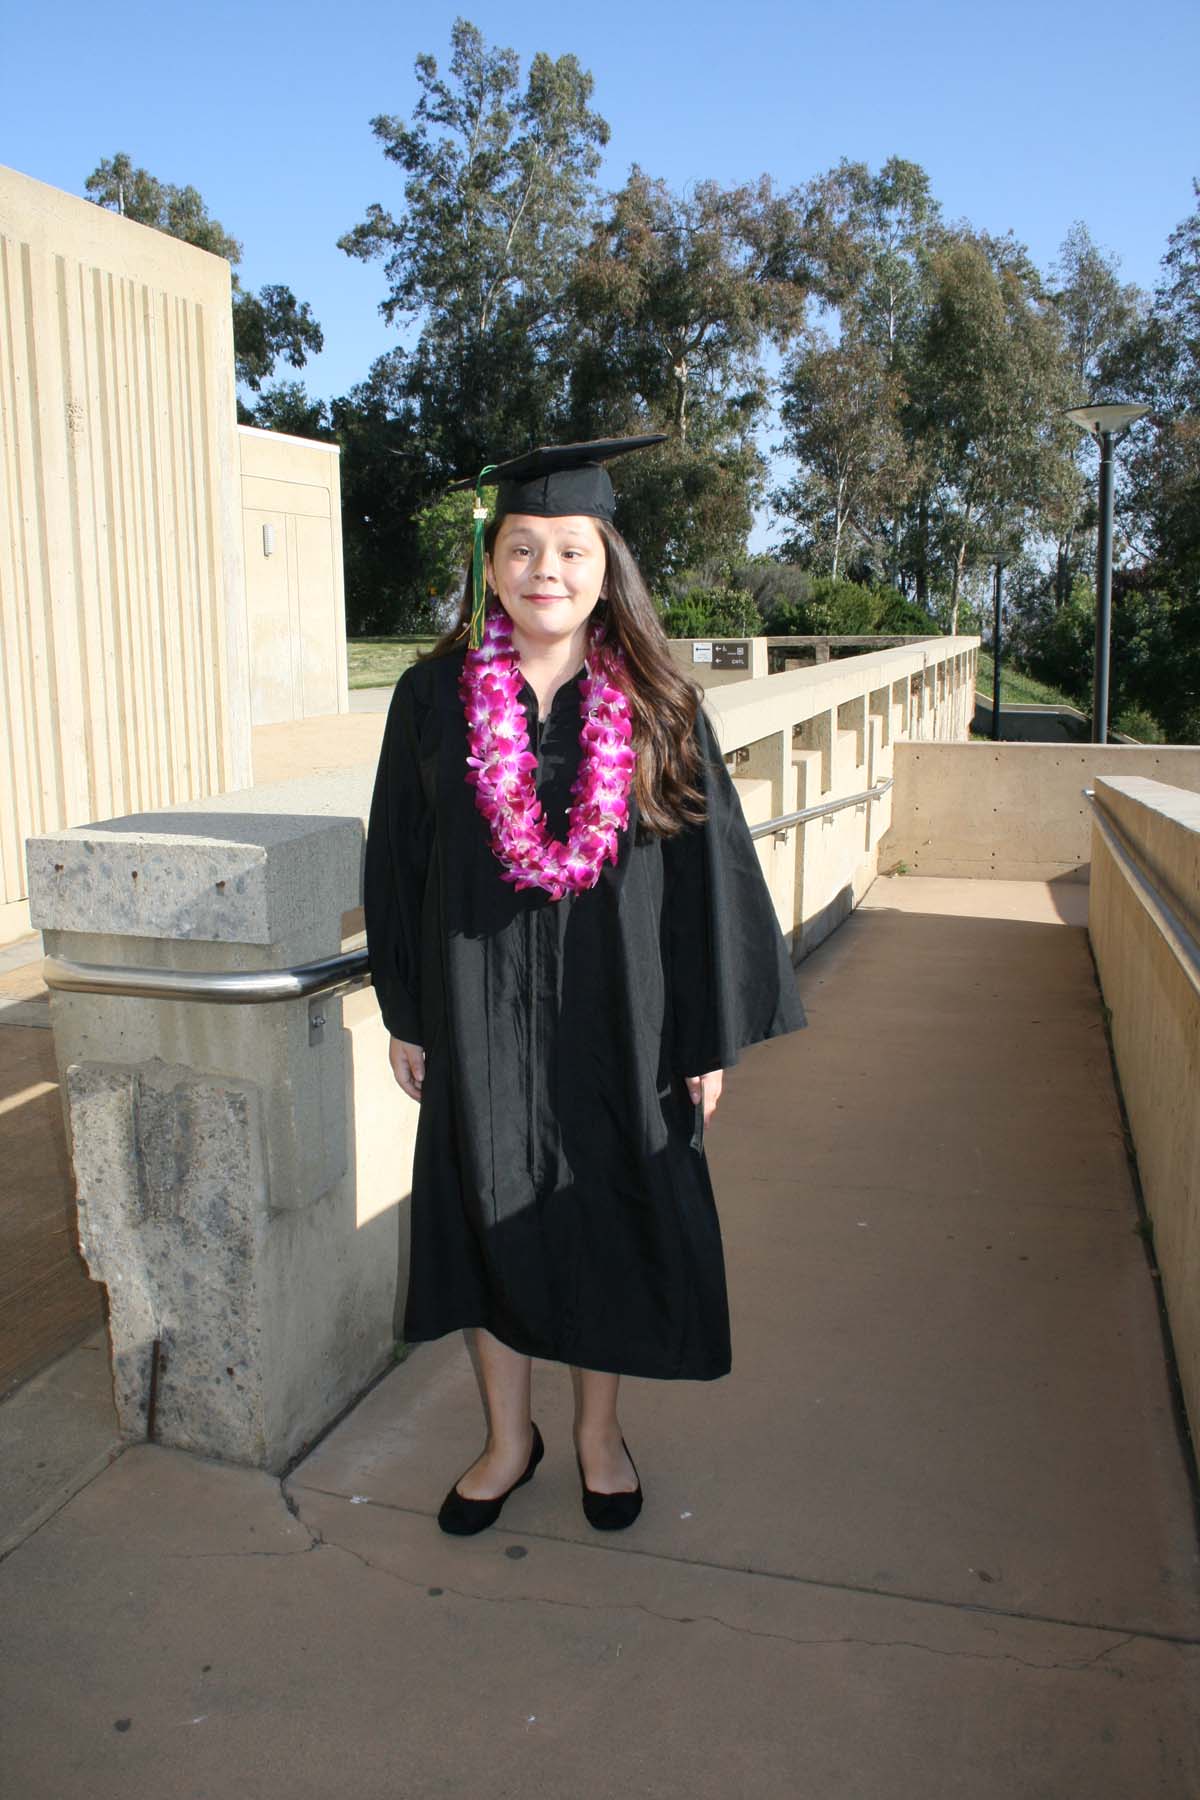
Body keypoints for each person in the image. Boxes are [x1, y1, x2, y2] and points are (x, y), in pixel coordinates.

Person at [363, 436, 807, 1538]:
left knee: (609, 1215)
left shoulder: (657, 703)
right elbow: (399, 861)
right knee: (487, 1217)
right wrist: (409, 1015)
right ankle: (509, 1440)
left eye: (569, 549)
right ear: (492, 565)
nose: (544, 570)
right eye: (521, 548)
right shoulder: (431, 700)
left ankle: (600, 1437)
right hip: (477, 1009)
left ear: (607, 565)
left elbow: (711, 877)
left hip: (626, 1014)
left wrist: (702, 1038)